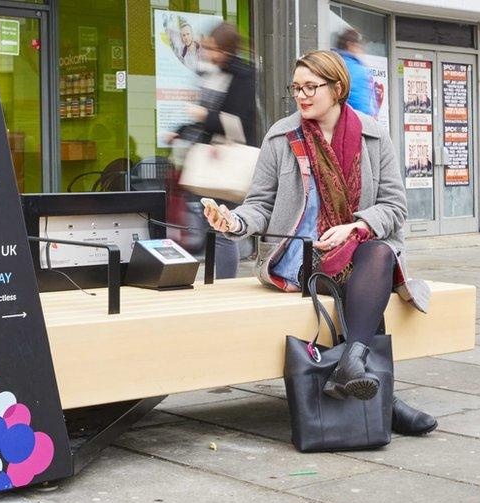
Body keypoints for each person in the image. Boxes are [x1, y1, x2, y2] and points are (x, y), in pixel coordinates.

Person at [204, 50, 436, 436]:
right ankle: (381, 399)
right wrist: (235, 221)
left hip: (356, 248)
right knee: (368, 277)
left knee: (377, 254)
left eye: (311, 87)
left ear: (338, 88)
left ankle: (354, 366)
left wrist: (354, 227)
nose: (301, 95)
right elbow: (260, 204)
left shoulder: (373, 136)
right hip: (300, 255)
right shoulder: (282, 136)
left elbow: (395, 207)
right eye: (296, 87)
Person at [174, 22, 256, 279]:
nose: (210, 53)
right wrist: (181, 131)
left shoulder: (243, 75)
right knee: (209, 227)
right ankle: (213, 283)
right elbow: (205, 117)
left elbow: (239, 123)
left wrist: (205, 115)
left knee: (222, 231)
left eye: (215, 49)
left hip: (229, 161)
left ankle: (225, 286)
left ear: (229, 50)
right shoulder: (210, 73)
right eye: (209, 47)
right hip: (210, 159)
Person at [332, 28, 374, 117]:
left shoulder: (331, 65)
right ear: (350, 45)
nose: (362, 50)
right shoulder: (358, 70)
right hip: (353, 124)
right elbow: (362, 107)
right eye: (359, 46)